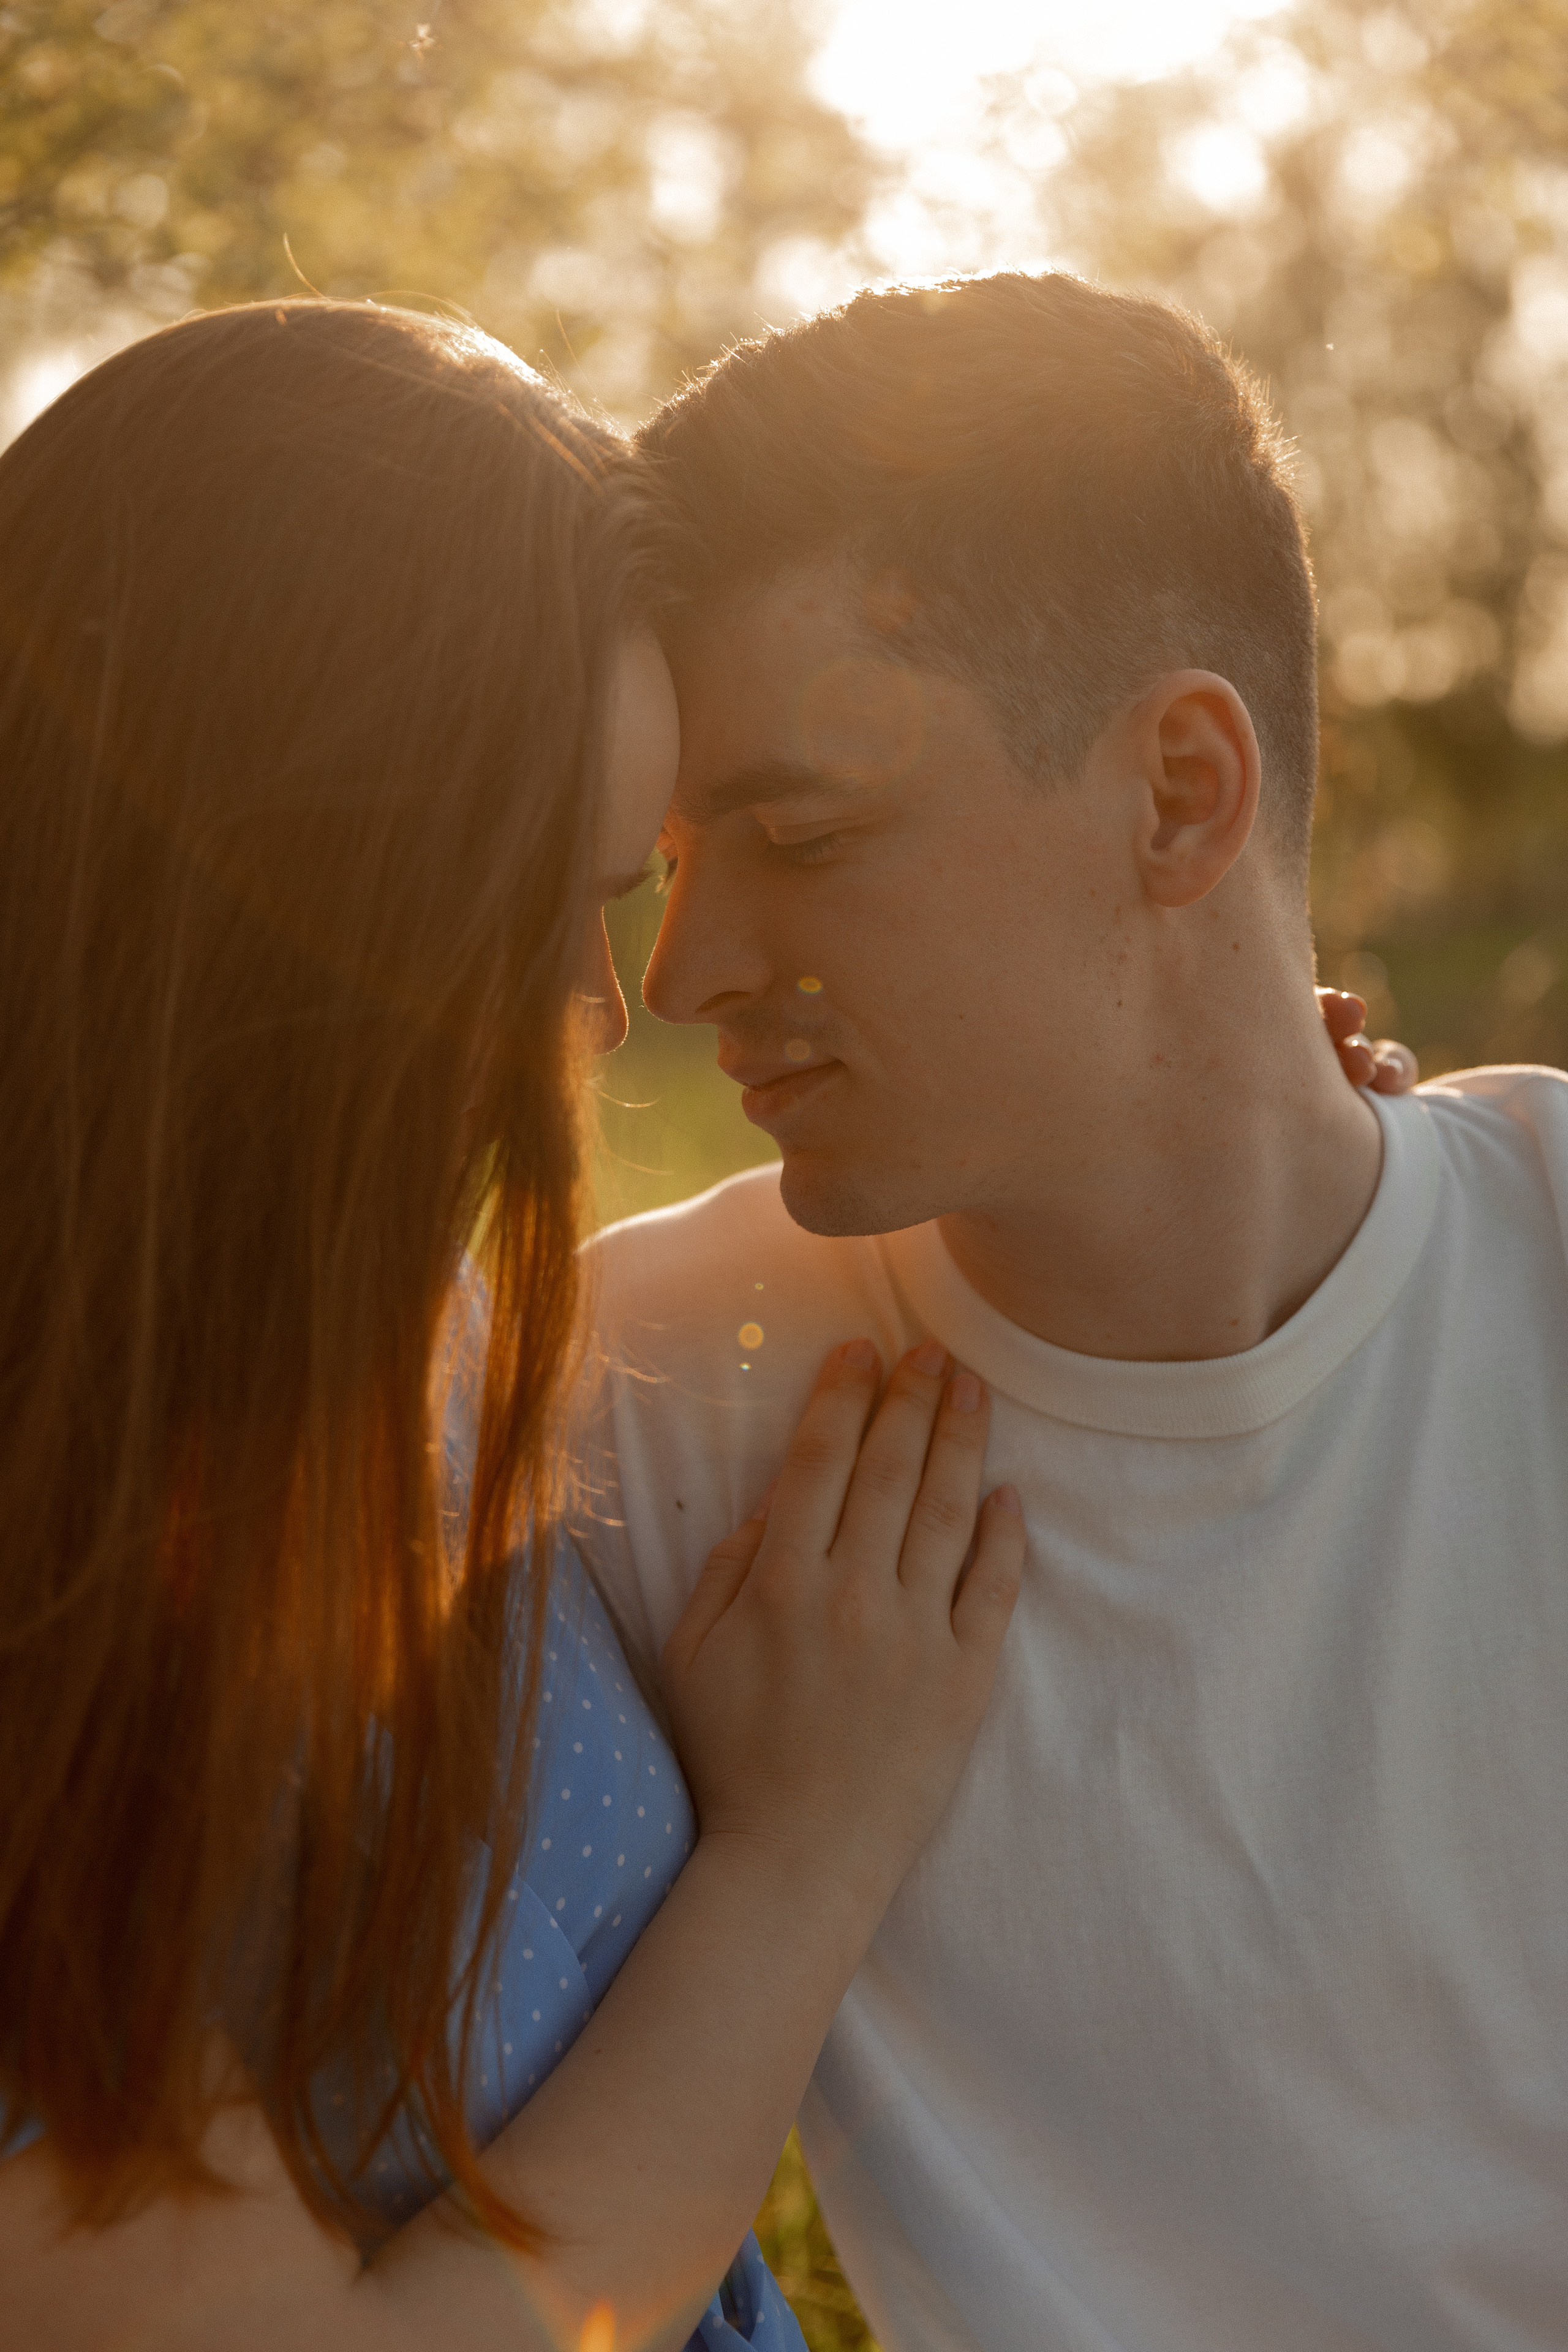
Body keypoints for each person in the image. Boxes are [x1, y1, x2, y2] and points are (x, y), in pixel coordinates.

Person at [0, 297, 1031, 2352]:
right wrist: (799, 1861)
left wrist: (1211, 1156)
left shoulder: (358, 1322)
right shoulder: (61, 1531)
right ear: (285, 881)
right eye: (537, 896)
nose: (599, 1001)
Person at [575, 271, 1568, 2352]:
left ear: (1180, 798)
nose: (685, 972)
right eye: (668, 863)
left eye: (801, 834)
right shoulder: (629, 1405)